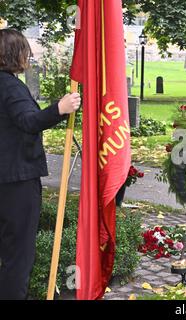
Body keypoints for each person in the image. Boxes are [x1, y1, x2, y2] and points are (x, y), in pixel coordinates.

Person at [0, 29, 81, 299]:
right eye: (25, 51)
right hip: (16, 182)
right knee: (18, 255)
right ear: (15, 54)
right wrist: (60, 108)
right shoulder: (10, 86)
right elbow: (28, 121)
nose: (29, 56)